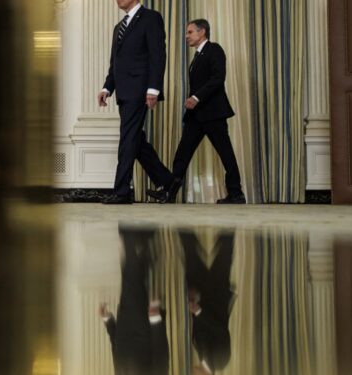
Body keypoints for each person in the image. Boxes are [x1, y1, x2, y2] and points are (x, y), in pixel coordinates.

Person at [148, 19, 245, 204]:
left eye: (190, 32)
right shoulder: (197, 56)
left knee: (226, 154)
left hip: (213, 113)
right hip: (196, 116)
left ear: (202, 32)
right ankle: (169, 193)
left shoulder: (214, 49)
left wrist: (196, 98)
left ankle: (236, 194)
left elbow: (218, 78)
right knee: (182, 154)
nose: (186, 36)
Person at [98, 0, 179, 204]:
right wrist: (107, 87)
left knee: (127, 139)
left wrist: (153, 88)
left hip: (140, 89)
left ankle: (122, 192)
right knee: (136, 141)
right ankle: (168, 181)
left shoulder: (151, 18)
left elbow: (157, 55)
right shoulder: (119, 26)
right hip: (124, 92)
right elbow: (114, 63)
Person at [98, 226, 169, 375]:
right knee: (131, 273)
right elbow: (161, 354)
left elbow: (115, 352)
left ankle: (143, 234)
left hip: (124, 322)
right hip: (142, 324)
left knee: (131, 273)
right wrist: (156, 319)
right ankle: (129, 228)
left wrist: (108, 320)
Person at [180, 228, 235, 374]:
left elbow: (198, 324)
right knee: (225, 250)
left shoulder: (200, 353)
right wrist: (198, 311)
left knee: (189, 250)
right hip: (217, 293)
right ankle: (230, 210)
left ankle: (180, 213)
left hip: (199, 292)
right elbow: (221, 331)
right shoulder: (221, 360)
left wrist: (192, 301)